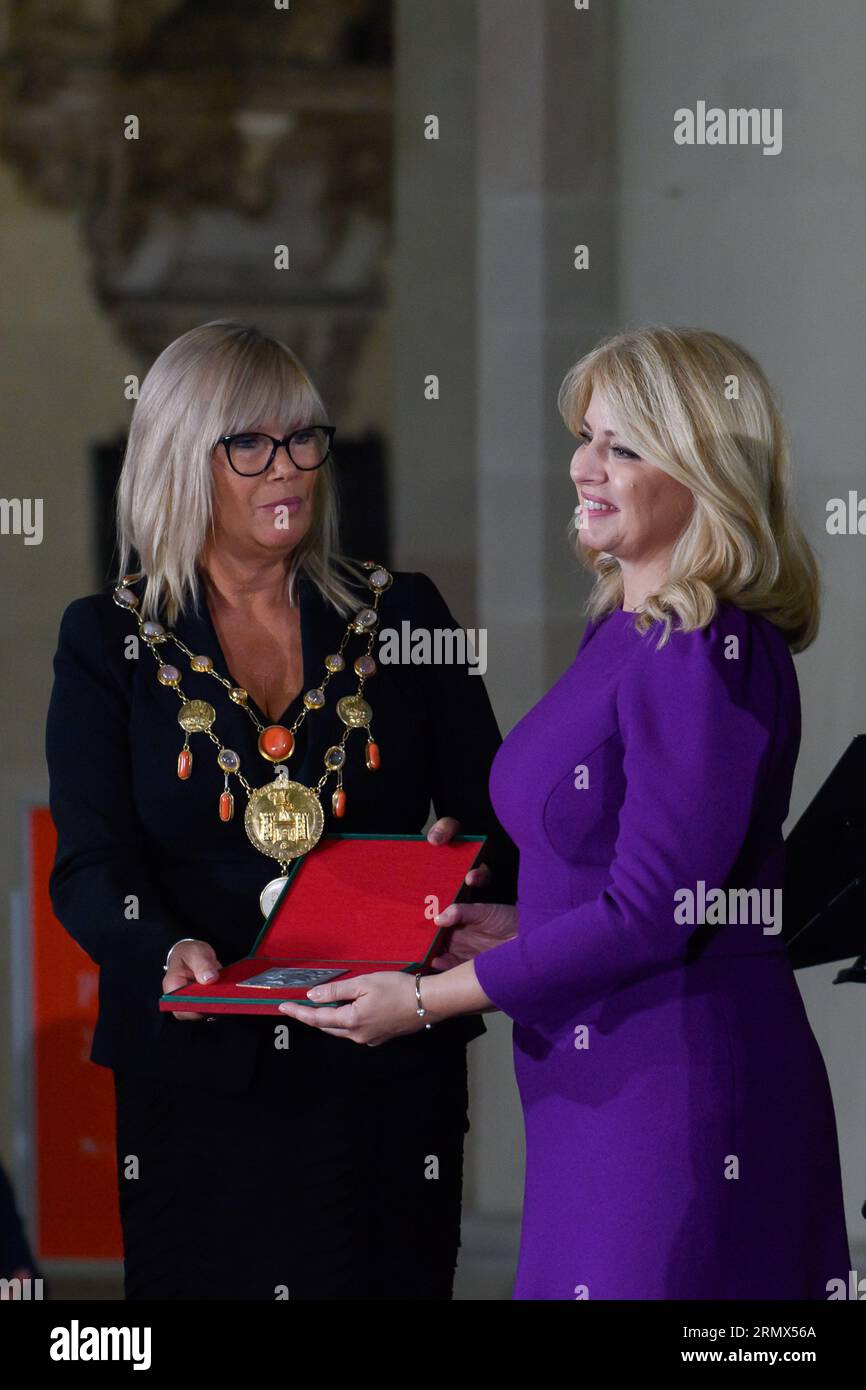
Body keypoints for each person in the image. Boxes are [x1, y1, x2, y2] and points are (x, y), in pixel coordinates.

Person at [280, 326, 852, 1300]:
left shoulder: (698, 643)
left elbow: (652, 912)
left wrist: (420, 1003)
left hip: (668, 1088)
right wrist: (516, 924)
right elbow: (621, 876)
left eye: (623, 447)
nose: (585, 466)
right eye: (586, 436)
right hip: (590, 1080)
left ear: (703, 473)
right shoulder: (627, 630)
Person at [46, 319, 515, 1301]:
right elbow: (92, 863)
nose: (289, 467)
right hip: (197, 1068)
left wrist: (460, 867)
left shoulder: (405, 614)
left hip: (383, 1057)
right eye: (250, 444)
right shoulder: (106, 638)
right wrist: (160, 947)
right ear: (182, 454)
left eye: (304, 436)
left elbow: (497, 814)